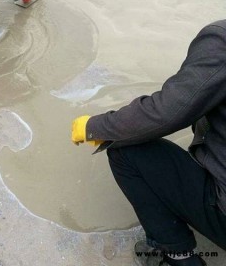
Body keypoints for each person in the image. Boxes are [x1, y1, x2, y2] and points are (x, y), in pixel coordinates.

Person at [71, 20, 226, 266]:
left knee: (126, 150)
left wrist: (94, 127)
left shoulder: (222, 41)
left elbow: (168, 112)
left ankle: (178, 256)